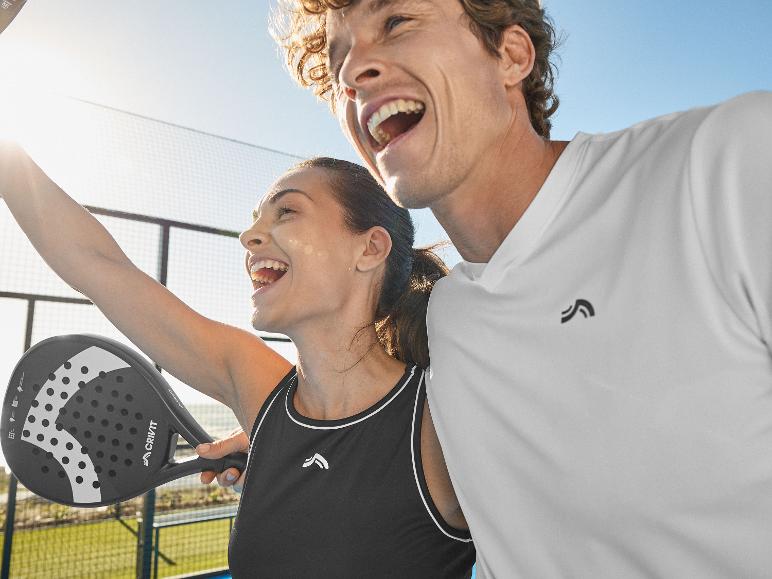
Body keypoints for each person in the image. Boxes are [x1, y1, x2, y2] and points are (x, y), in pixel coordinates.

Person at [202, 0, 772, 576]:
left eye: (396, 23)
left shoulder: (728, 160)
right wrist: (295, 452)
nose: (351, 74)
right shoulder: (447, 320)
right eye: (340, 58)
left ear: (512, 55)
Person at [0, 145, 475, 577]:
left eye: (287, 211)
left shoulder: (445, 421)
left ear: (369, 248)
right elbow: (95, 263)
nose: (250, 235)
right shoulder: (259, 391)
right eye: (254, 219)